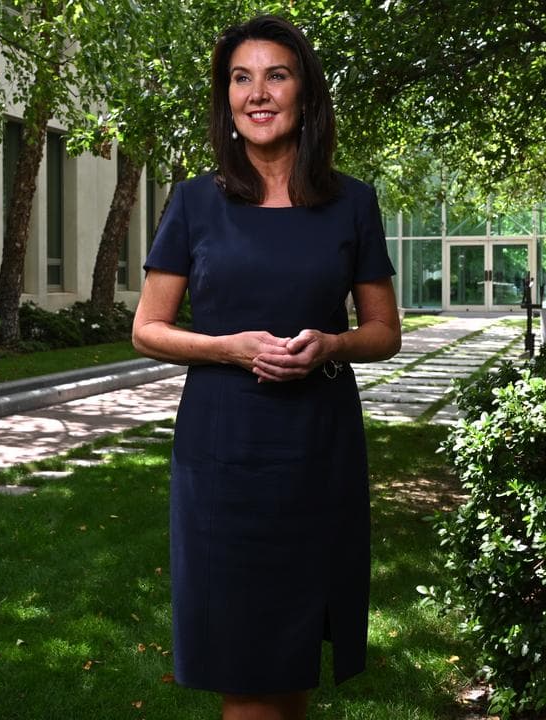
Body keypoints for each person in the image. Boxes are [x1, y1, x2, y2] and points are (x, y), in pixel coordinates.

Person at [131, 15, 401, 720]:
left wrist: (332, 345)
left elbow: (384, 333)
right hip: (223, 451)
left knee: (291, 657)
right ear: (226, 99)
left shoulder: (353, 202)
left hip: (319, 449)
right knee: (244, 667)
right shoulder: (194, 201)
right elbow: (147, 329)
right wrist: (229, 347)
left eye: (276, 75)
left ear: (304, 94)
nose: (257, 93)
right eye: (240, 78)